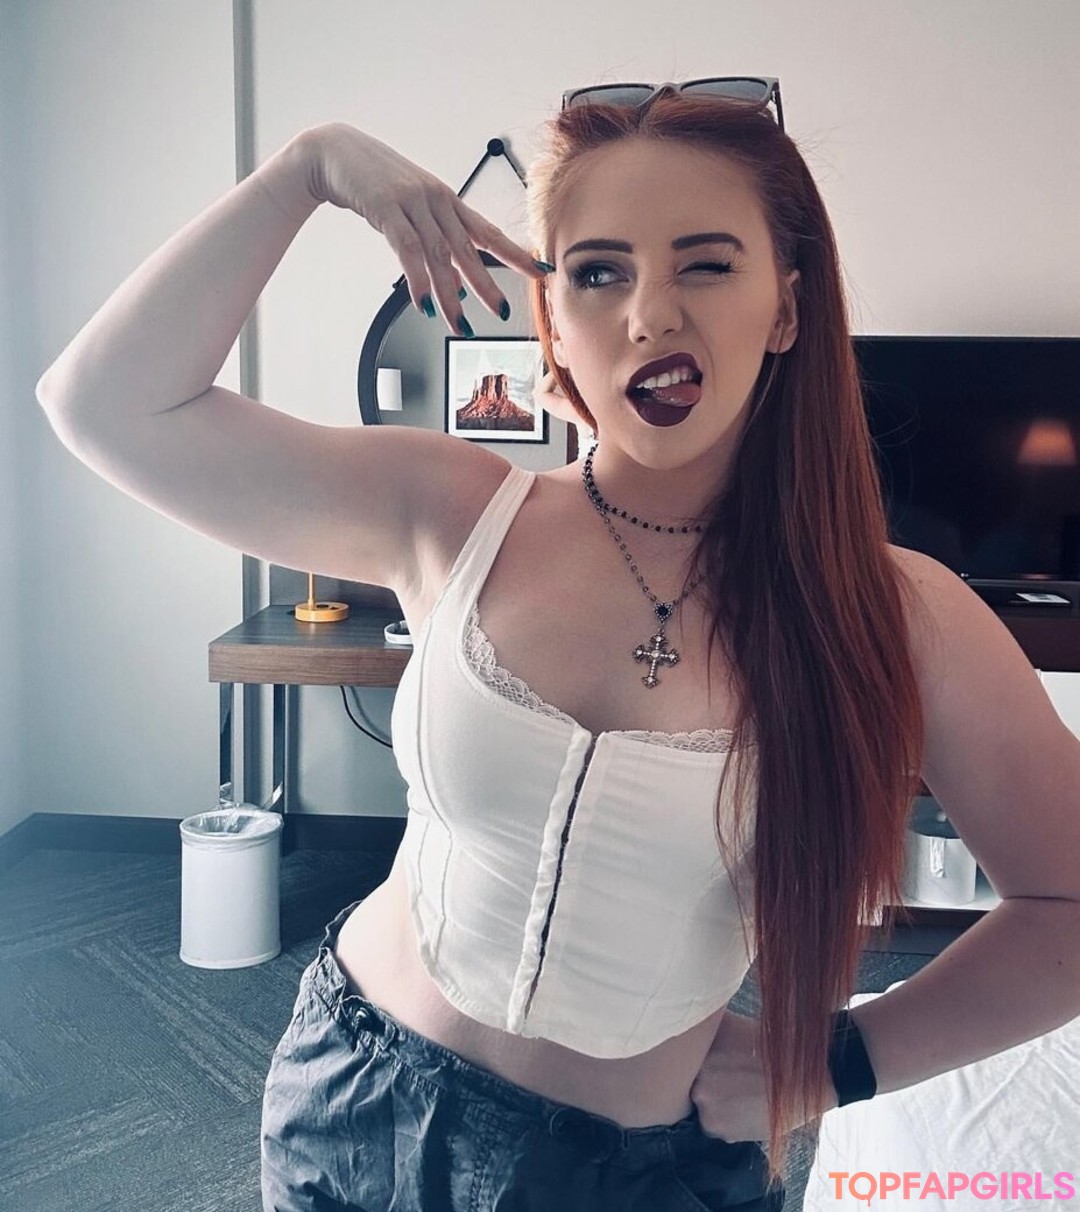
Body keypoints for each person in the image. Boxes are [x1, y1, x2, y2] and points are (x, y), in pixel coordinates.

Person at [36, 82, 1080, 1212]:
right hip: (353, 1098)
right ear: (554, 323)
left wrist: (838, 1063)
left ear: (786, 307)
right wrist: (309, 167)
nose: (650, 314)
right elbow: (104, 404)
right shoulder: (449, 510)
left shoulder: (897, 612)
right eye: (598, 272)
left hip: (635, 1174)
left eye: (705, 265)